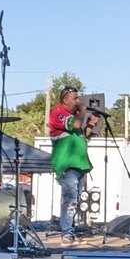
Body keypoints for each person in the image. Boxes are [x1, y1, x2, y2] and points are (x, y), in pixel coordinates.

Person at [48, 86, 93, 244]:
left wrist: (92, 124)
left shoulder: (74, 117)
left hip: (79, 165)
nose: (78, 101)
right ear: (65, 99)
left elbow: (82, 136)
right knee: (70, 199)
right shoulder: (59, 113)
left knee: (76, 199)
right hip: (67, 165)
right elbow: (75, 125)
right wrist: (82, 111)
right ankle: (66, 233)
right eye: (75, 99)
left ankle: (70, 230)